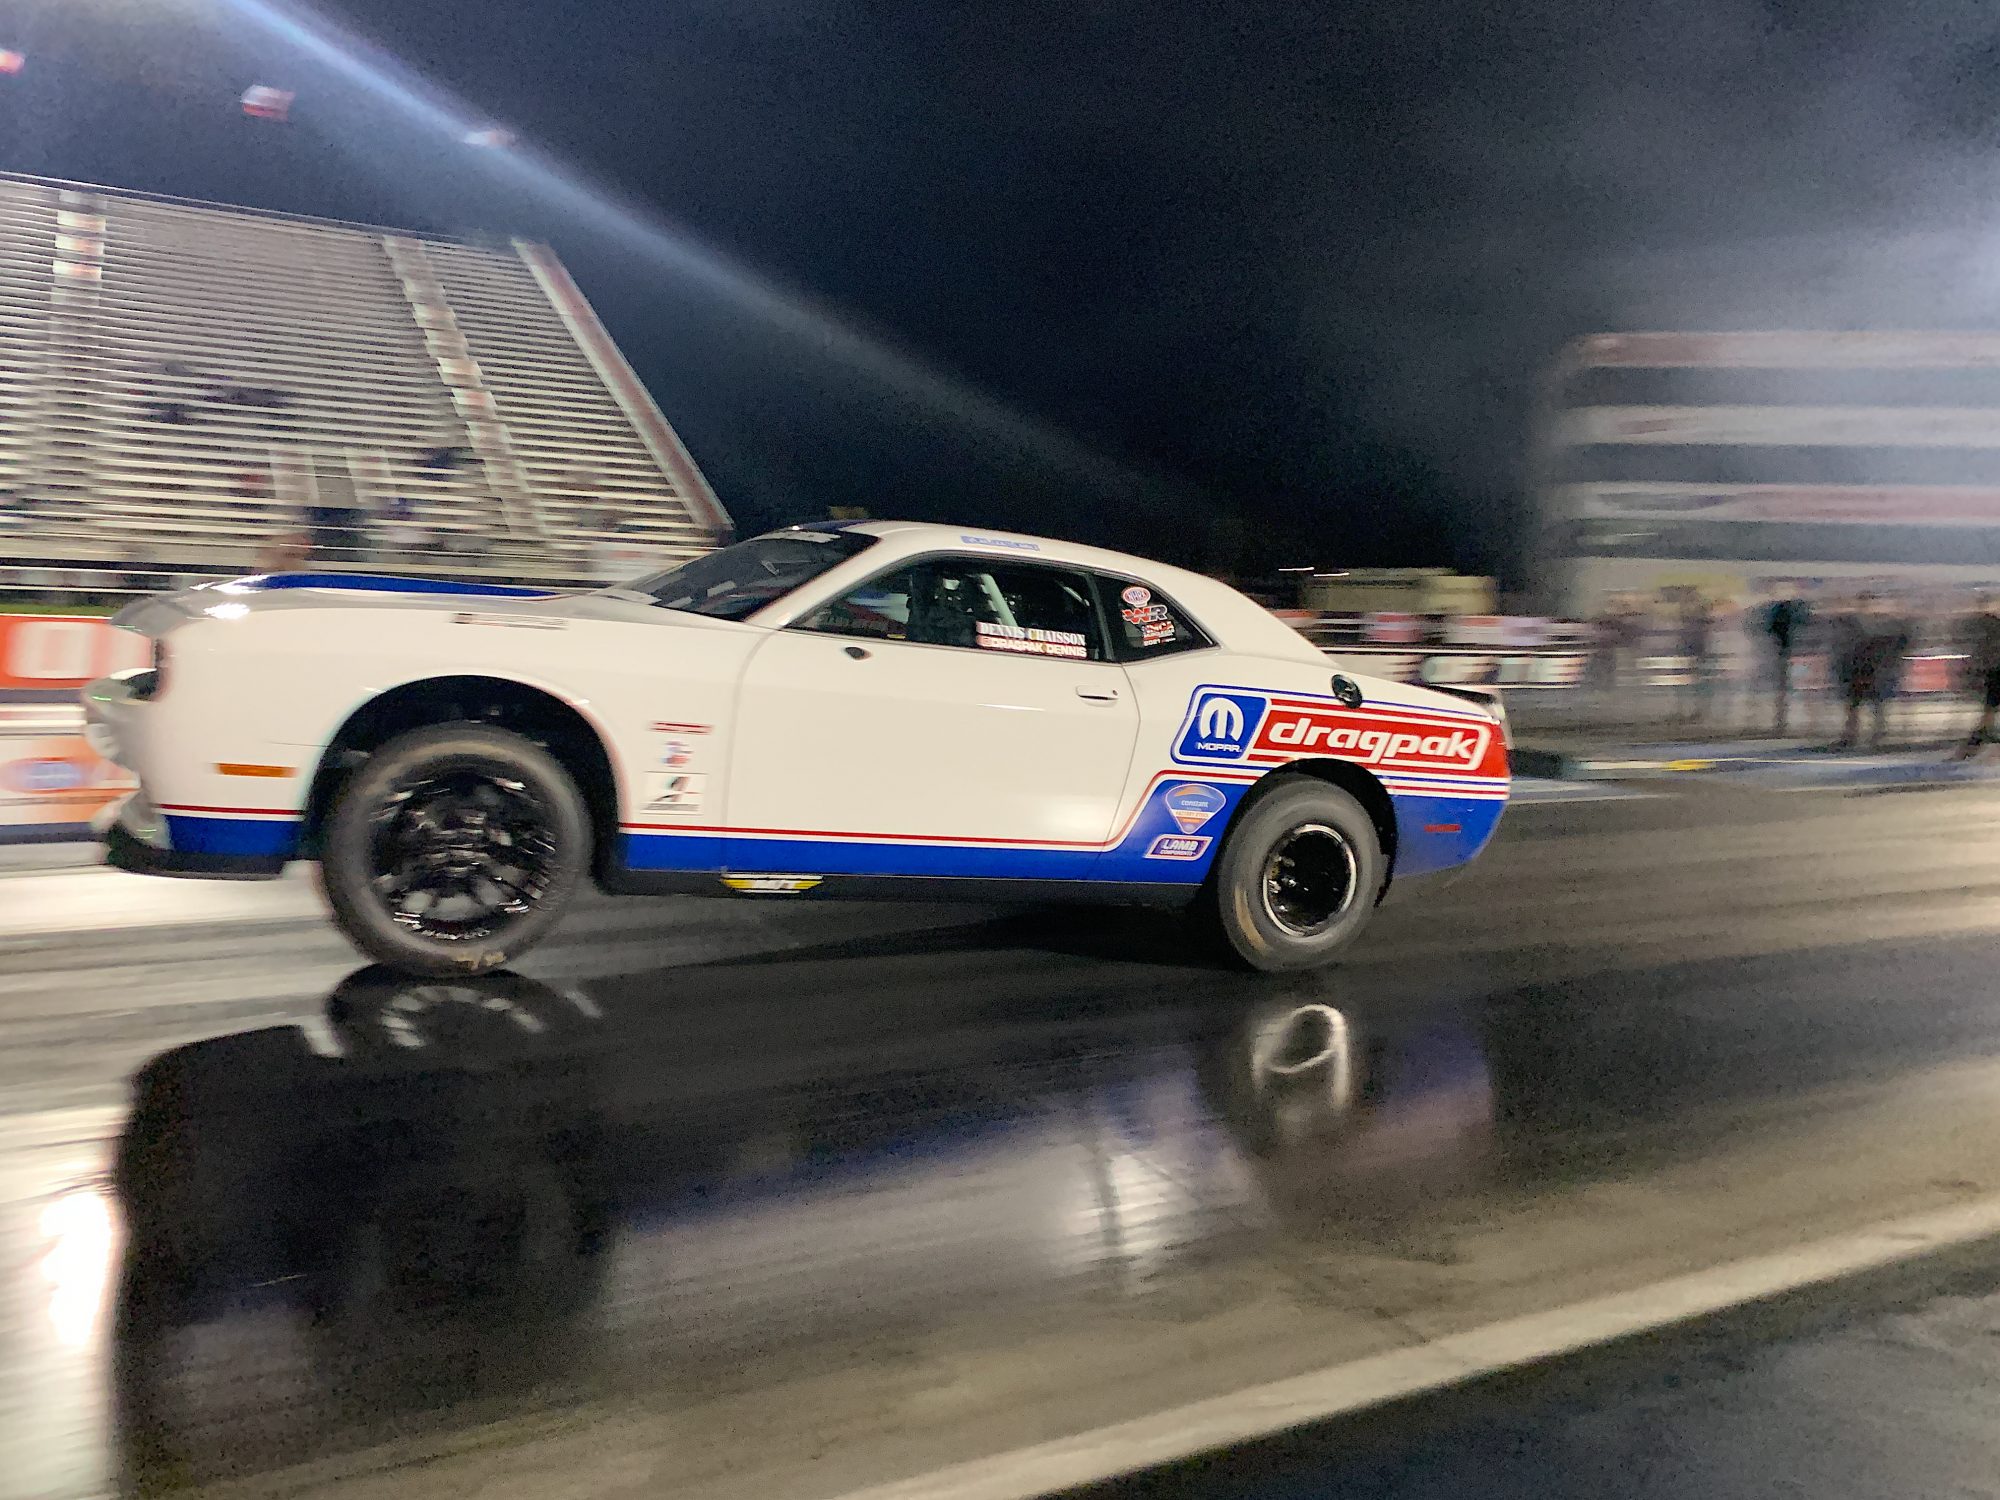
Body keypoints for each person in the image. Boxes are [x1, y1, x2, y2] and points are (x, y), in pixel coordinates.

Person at [1832, 594, 1902, 750]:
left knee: (1872, 704)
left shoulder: (1874, 623)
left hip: (1871, 668)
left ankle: (1872, 735)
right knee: (1857, 704)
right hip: (1860, 668)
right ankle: (1856, 735)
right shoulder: (1866, 623)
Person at [1956, 593, 2000, 758]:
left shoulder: (1983, 625)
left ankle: (1969, 750)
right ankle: (1970, 749)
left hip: (1992, 673)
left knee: (1988, 715)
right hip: (1995, 673)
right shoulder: (1991, 625)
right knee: (1988, 716)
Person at [1762, 587, 1810, 735]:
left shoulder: (1779, 614)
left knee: (1783, 689)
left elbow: (1768, 630)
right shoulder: (1795, 614)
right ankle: (1784, 722)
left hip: (1787, 655)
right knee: (1787, 689)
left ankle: (1782, 722)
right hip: (1795, 655)